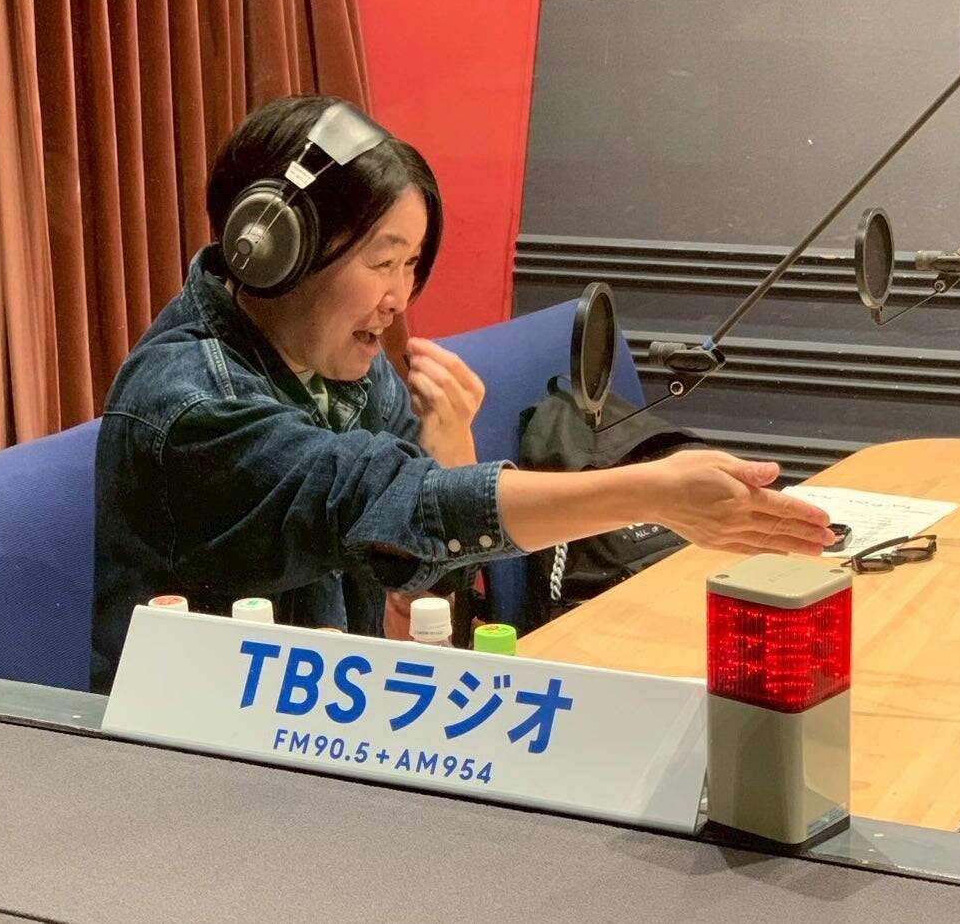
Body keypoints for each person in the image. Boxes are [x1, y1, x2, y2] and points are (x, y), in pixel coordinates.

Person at [90, 95, 834, 692]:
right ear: (276, 249)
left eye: (411, 265)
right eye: (382, 262)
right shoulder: (190, 408)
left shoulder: (346, 370)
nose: (398, 299)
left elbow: (415, 588)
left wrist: (448, 459)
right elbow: (373, 498)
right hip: (191, 768)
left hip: (322, 724)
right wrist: (651, 492)